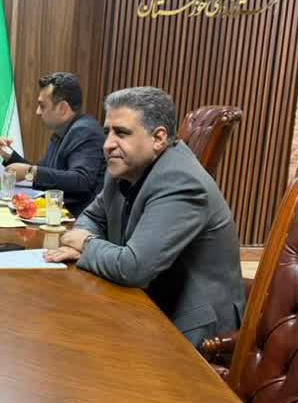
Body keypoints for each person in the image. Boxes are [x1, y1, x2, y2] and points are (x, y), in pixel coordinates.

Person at [45, 86, 244, 346]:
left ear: (159, 138)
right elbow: (91, 217)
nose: (108, 145)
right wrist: (89, 242)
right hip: (144, 300)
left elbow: (133, 268)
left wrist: (85, 243)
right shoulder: (123, 167)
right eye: (107, 132)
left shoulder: (181, 181)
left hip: (191, 327)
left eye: (121, 133)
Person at [0, 71, 105, 216]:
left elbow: (81, 180)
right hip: (57, 215)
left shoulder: (84, 131)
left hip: (77, 220)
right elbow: (46, 174)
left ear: (63, 108)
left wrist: (30, 172)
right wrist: (9, 156)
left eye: (42, 106)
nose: (37, 112)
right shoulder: (63, 132)